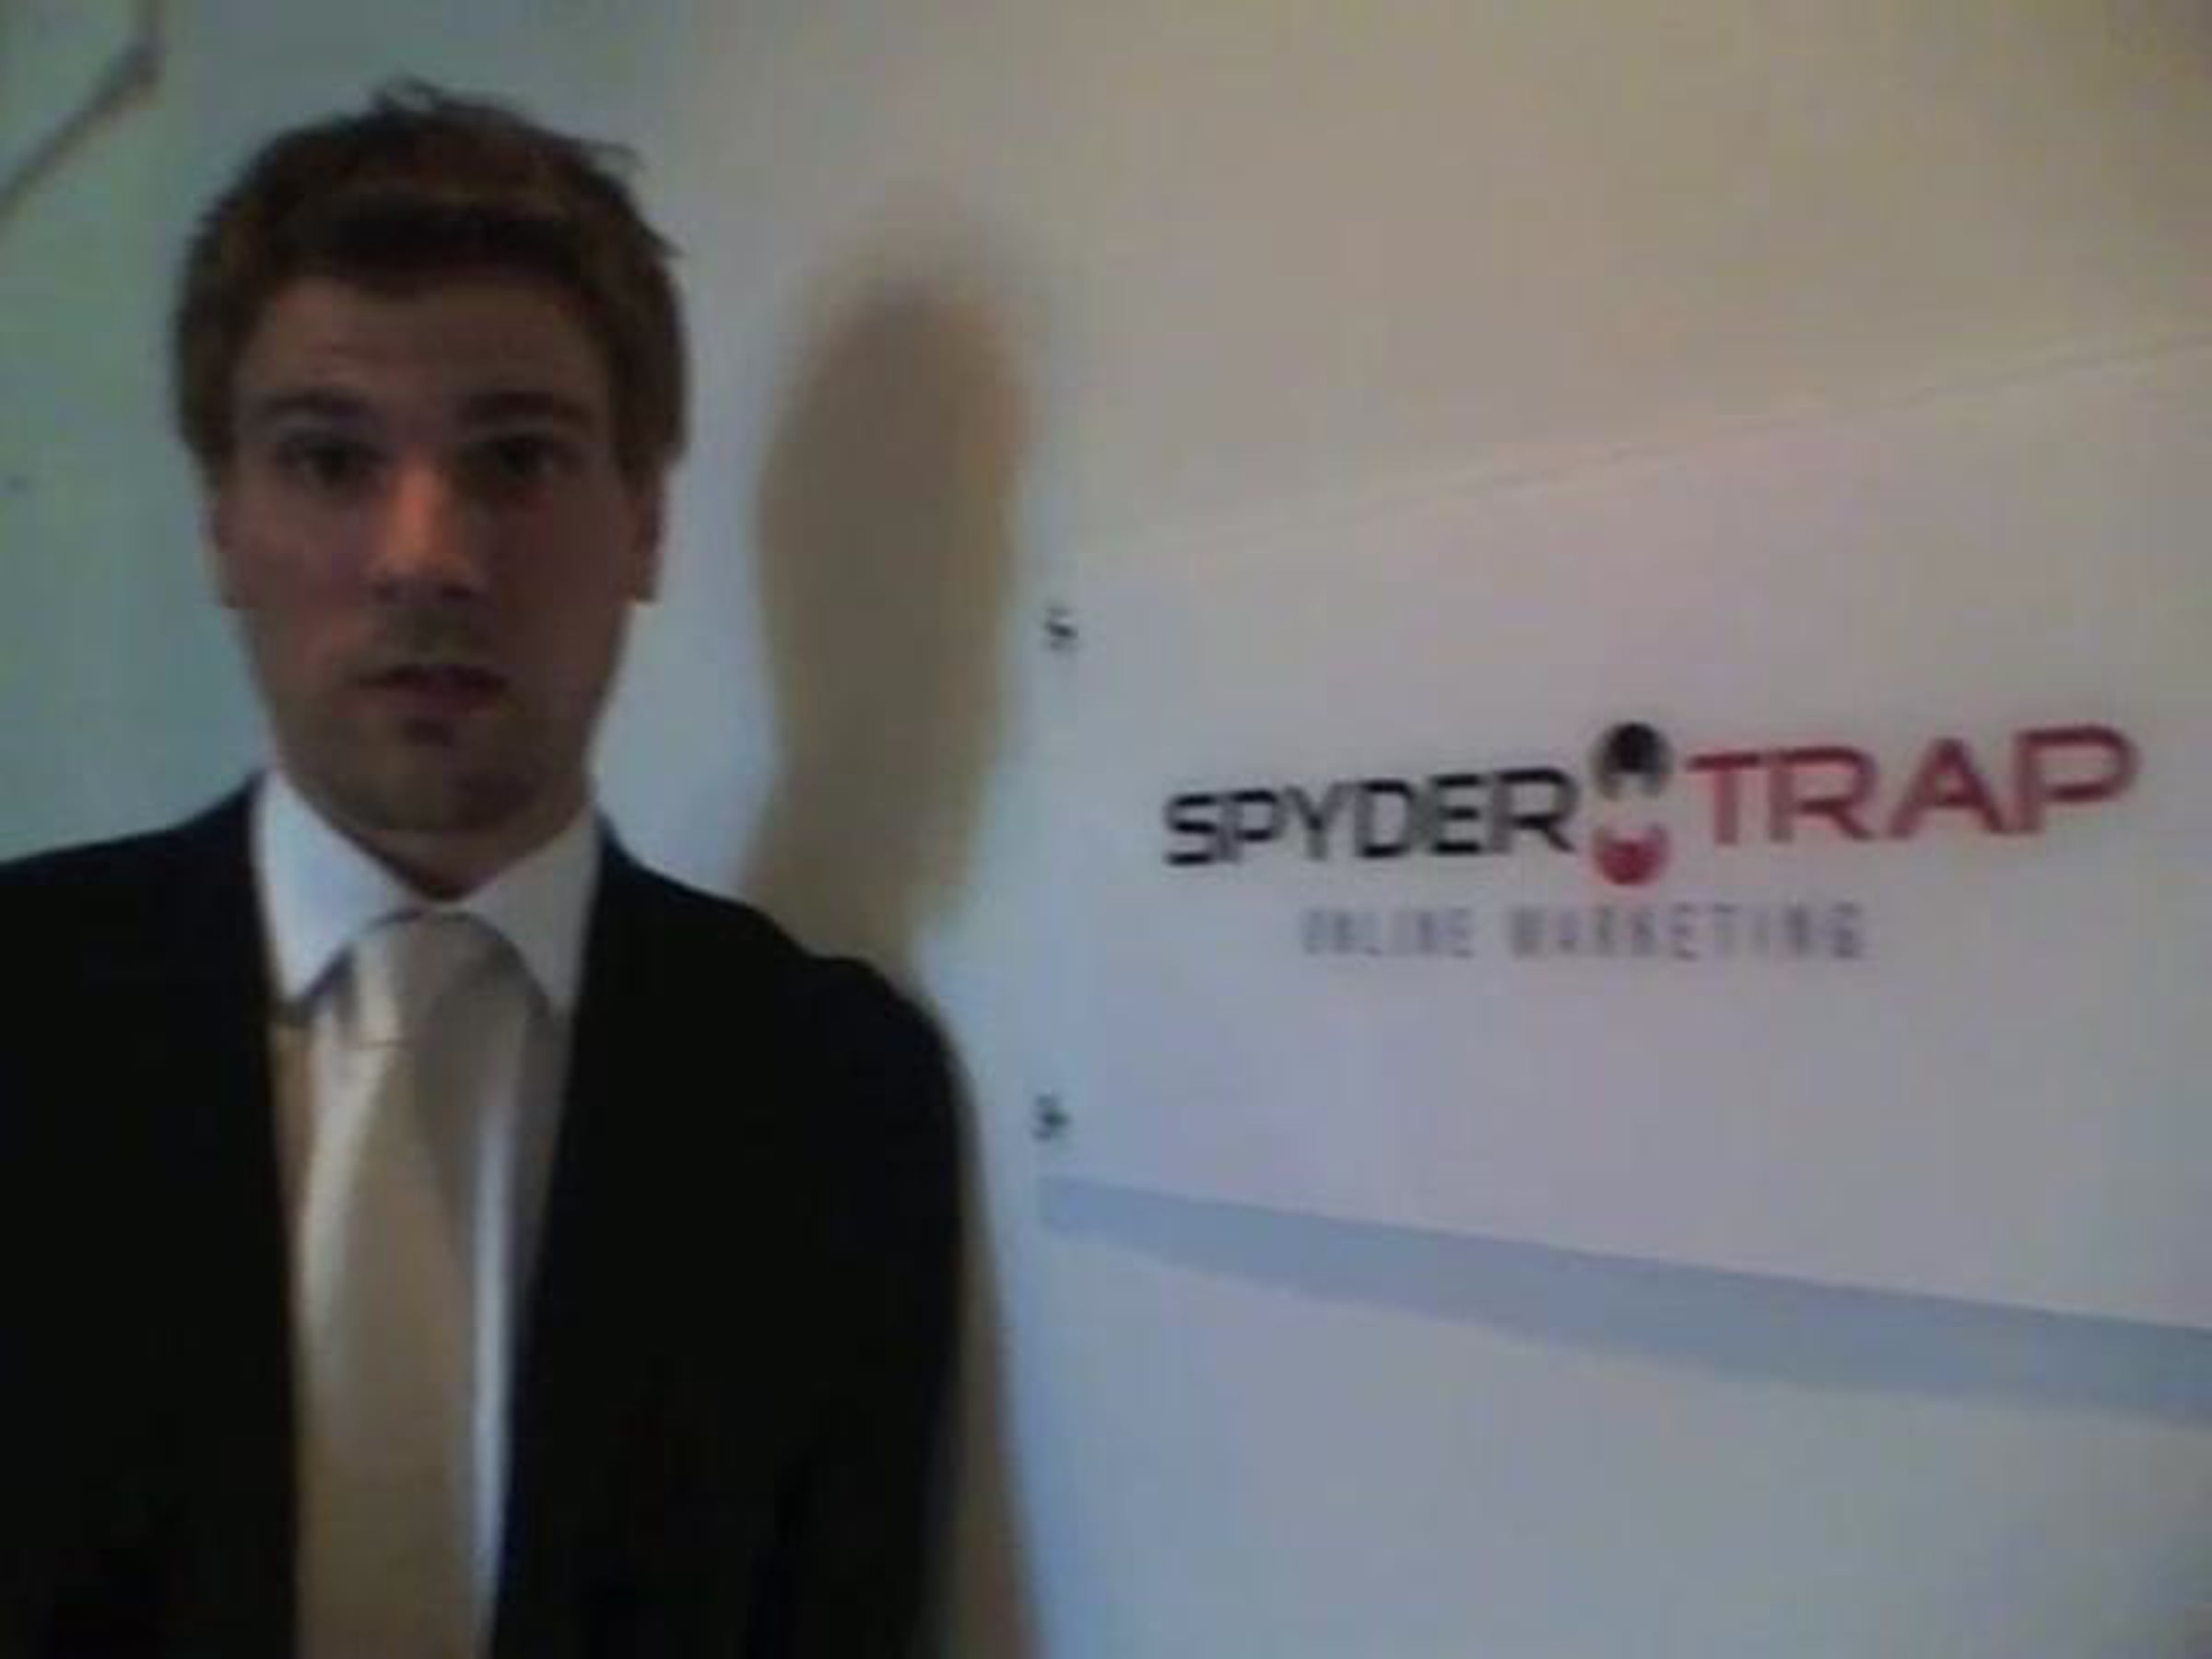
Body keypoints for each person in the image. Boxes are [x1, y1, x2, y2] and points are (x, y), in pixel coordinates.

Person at [0, 83, 959, 1657]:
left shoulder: (840, 1097)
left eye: (517, 458)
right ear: (221, 523)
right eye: (328, 459)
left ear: (644, 523)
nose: (427, 556)